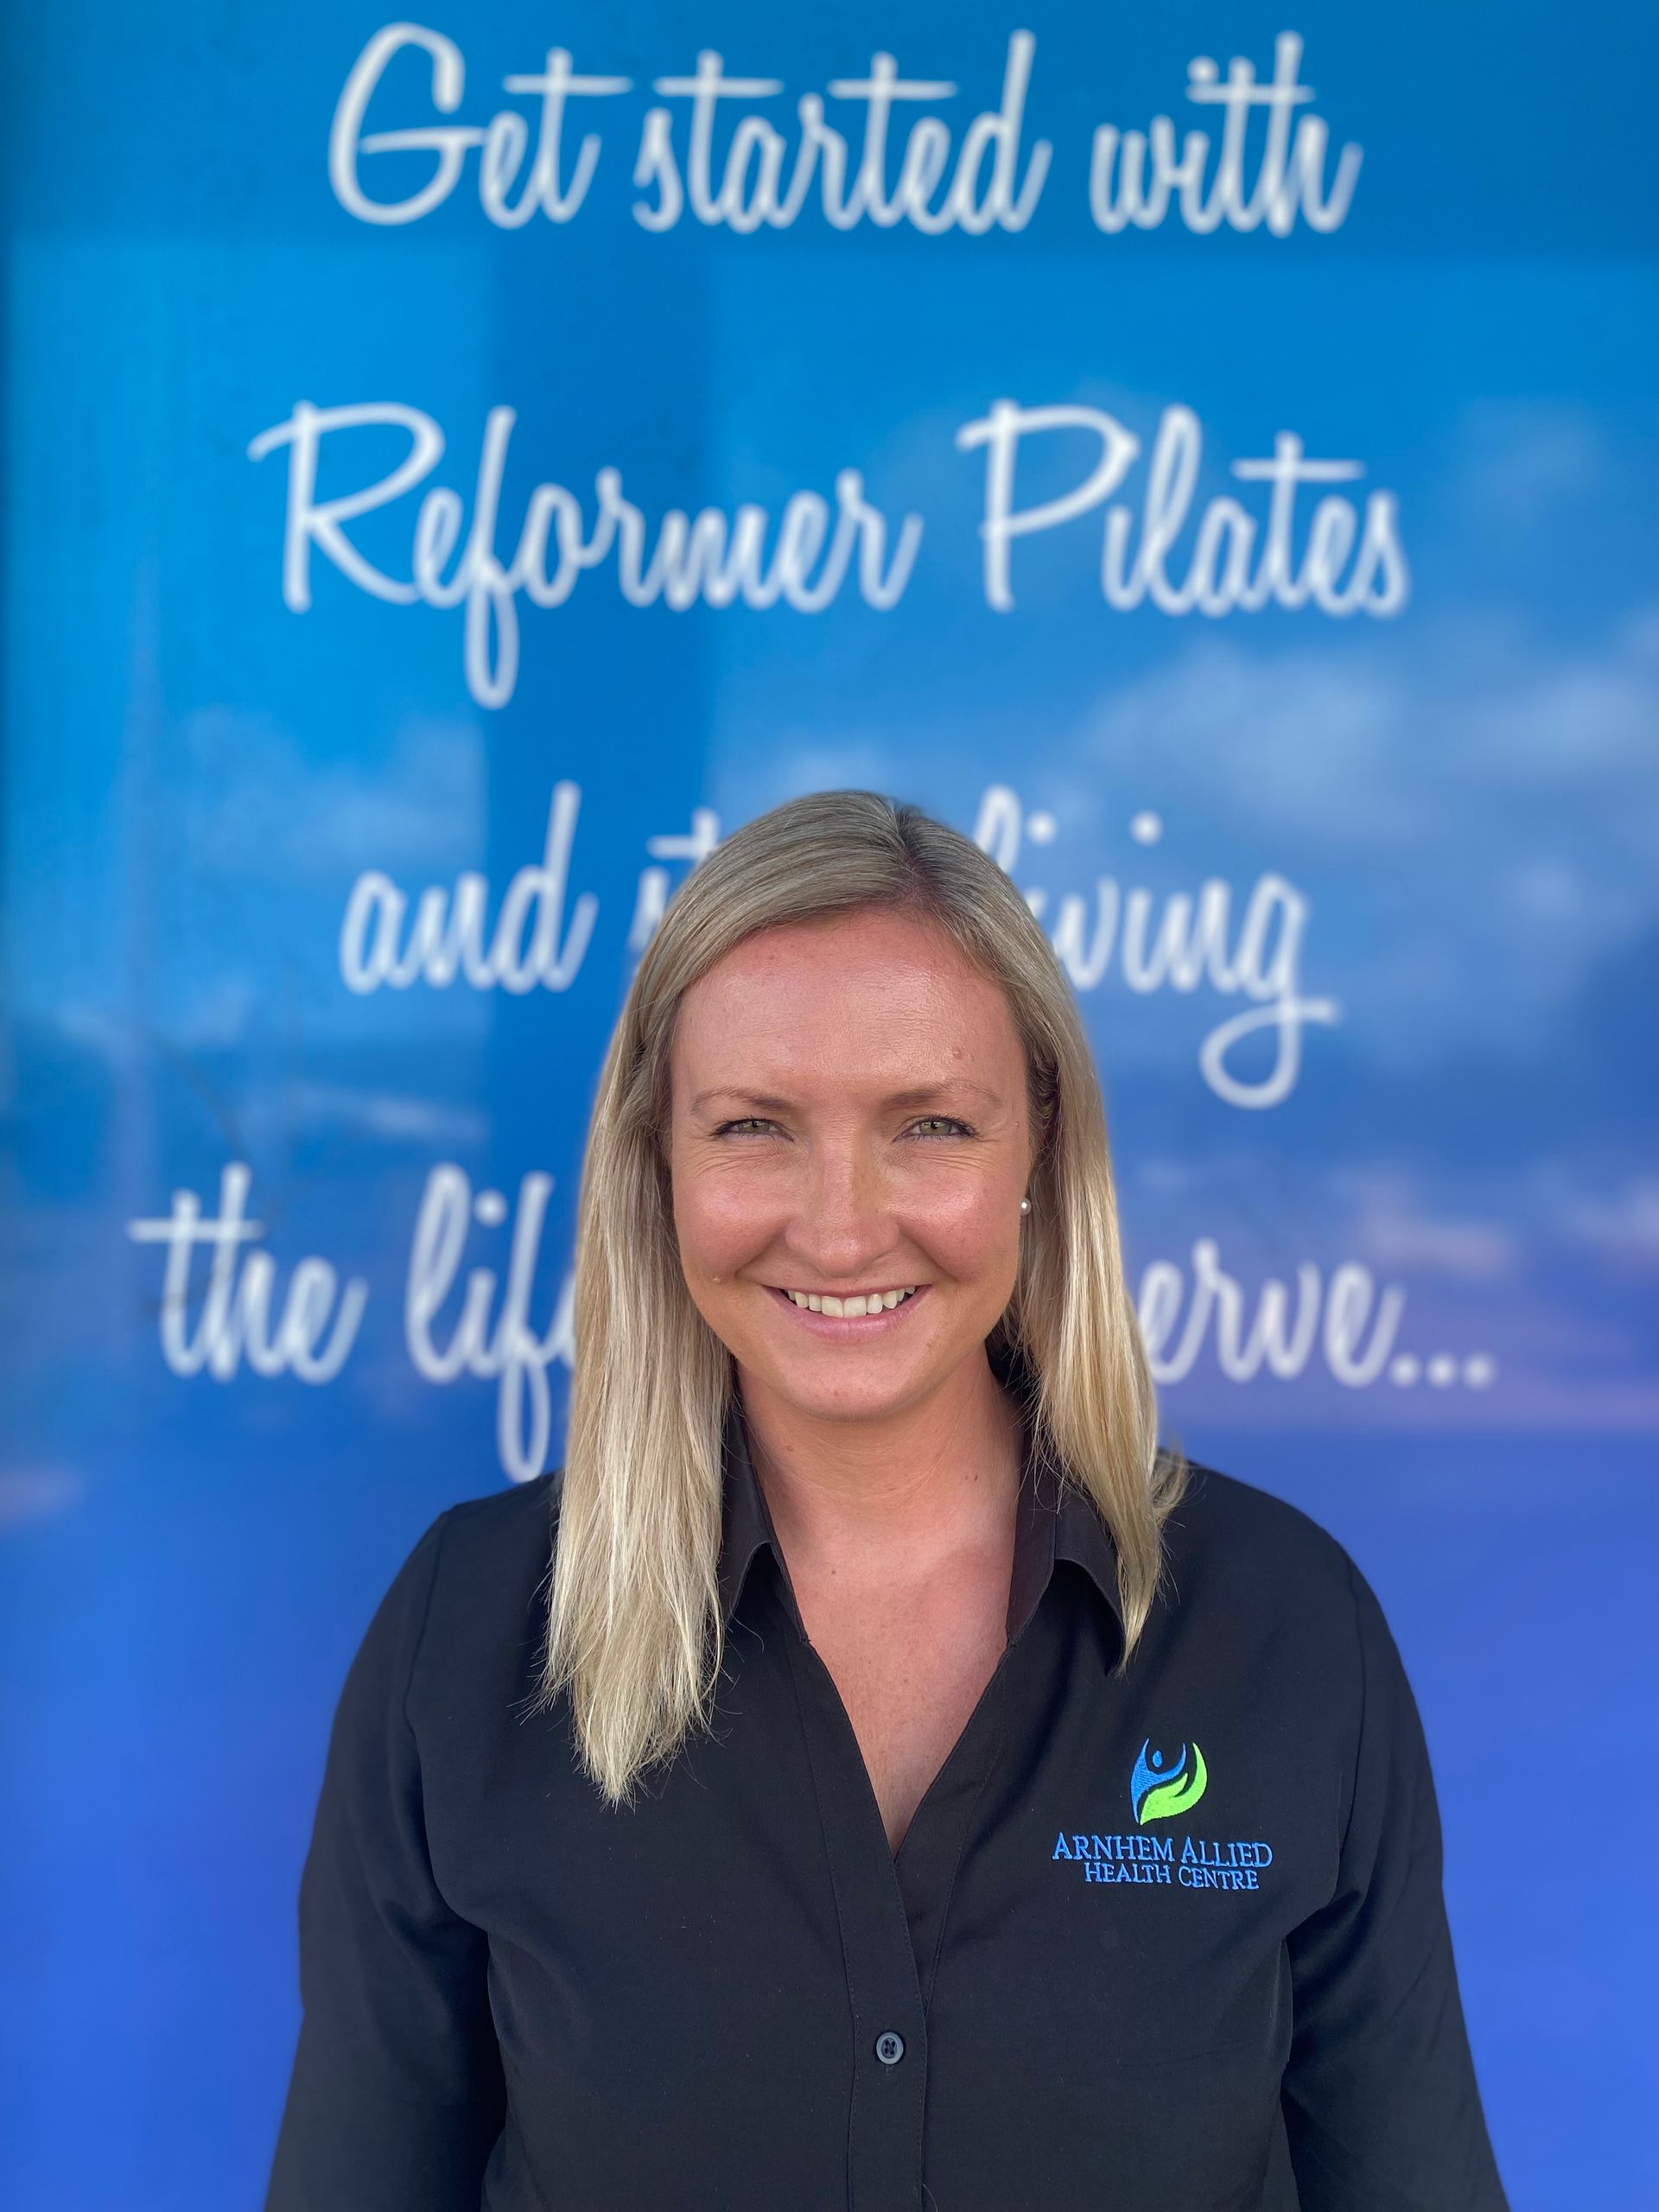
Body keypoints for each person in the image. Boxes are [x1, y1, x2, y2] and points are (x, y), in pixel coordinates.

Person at [263, 788, 1510, 2211]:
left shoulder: (1287, 1630)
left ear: (1038, 1141)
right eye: (752, 1127)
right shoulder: (470, 1635)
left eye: (927, 1125)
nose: (844, 1225)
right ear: (655, 1159)